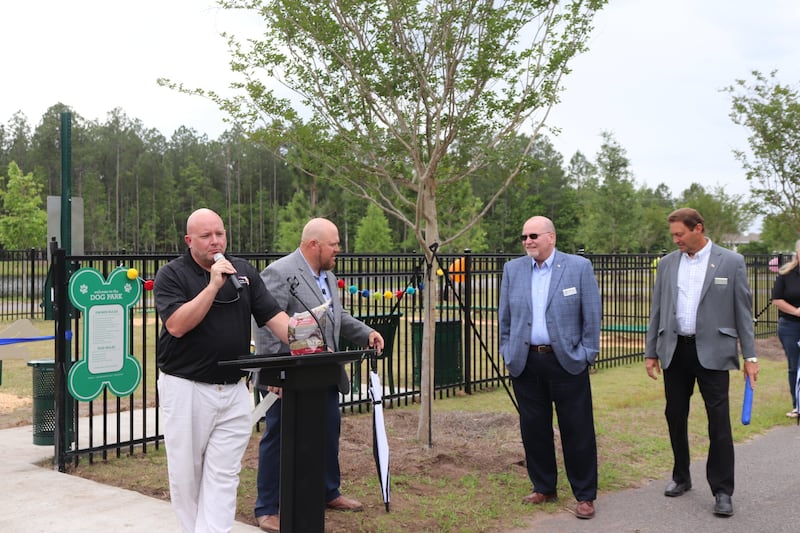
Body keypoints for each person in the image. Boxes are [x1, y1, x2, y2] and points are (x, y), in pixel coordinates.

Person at [154, 208, 290, 533]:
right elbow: (176, 325)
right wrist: (213, 285)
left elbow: (274, 317)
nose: (216, 242)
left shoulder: (243, 272)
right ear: (189, 240)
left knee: (224, 474)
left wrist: (309, 339)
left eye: (220, 234)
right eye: (206, 236)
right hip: (187, 388)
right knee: (187, 476)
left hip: (233, 390)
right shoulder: (172, 275)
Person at [253, 217, 385, 533]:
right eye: (334, 243)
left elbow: (336, 315)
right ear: (315, 244)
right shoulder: (280, 272)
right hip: (288, 377)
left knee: (328, 430)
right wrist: (273, 372)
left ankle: (328, 491)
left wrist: (366, 333)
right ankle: (268, 507)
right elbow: (265, 323)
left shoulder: (326, 275)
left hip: (323, 372)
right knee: (278, 437)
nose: (338, 249)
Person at [645, 207, 759, 518]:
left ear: (698, 228)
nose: (676, 240)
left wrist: (750, 356)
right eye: (673, 235)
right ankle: (681, 476)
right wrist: (651, 351)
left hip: (714, 352)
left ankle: (722, 490)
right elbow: (657, 308)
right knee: (675, 415)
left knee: (718, 423)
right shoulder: (668, 264)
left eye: (680, 234)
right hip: (675, 350)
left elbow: (743, 313)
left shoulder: (731, 262)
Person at [498, 215, 601, 520]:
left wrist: (586, 354)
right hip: (526, 362)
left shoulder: (577, 268)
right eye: (523, 237)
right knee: (534, 429)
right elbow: (505, 318)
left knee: (577, 429)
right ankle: (544, 486)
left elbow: (592, 316)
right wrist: (508, 351)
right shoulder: (513, 270)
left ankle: (584, 495)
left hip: (566, 362)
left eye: (533, 236)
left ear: (551, 237)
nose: (528, 241)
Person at [771, 239, 800, 418]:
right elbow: (776, 299)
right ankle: (798, 405)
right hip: (790, 325)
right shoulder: (786, 274)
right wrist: (796, 311)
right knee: (795, 366)